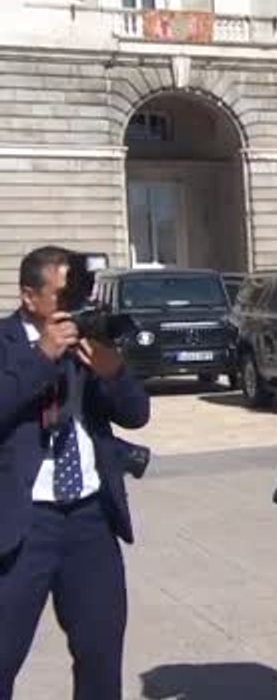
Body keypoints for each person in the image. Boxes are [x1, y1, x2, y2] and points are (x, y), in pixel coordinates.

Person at [0, 246, 151, 700]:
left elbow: (136, 413)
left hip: (89, 520)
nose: (73, 308)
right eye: (62, 296)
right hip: (22, 523)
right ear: (30, 297)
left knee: (100, 655)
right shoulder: (7, 342)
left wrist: (113, 371)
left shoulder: (87, 337)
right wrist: (42, 356)